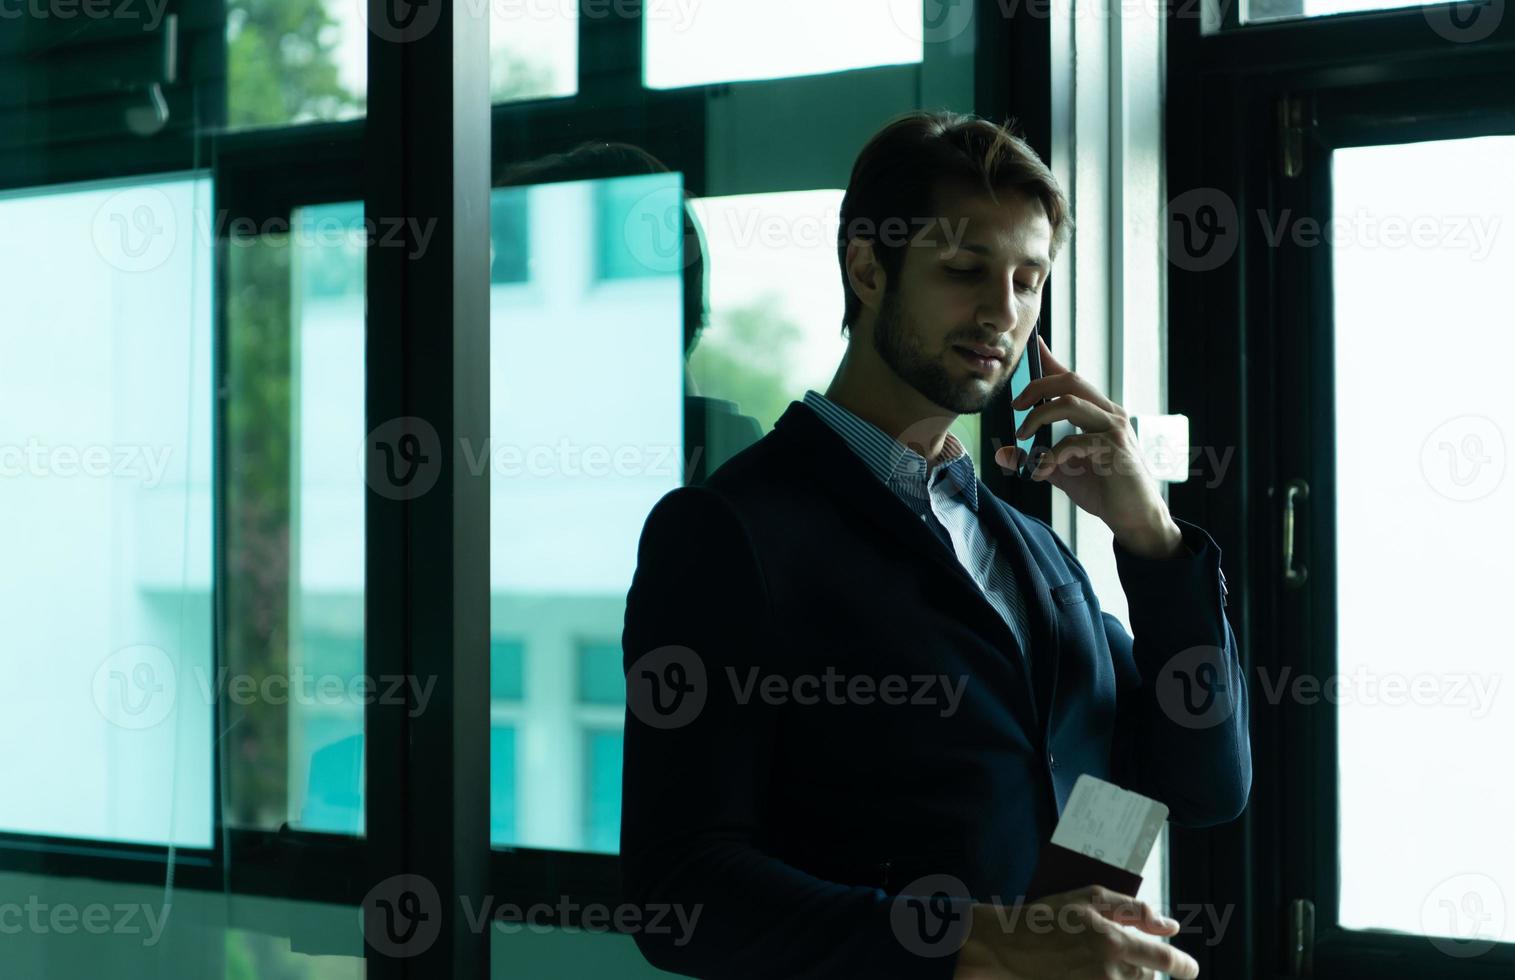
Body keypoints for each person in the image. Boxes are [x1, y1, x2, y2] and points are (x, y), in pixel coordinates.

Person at [619, 109, 1250, 979]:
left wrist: (1150, 539)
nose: (1003, 312)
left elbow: (1198, 786)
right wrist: (989, 943)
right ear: (868, 268)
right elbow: (675, 892)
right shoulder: (728, 532)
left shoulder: (1034, 549)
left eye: (1028, 281)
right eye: (965, 270)